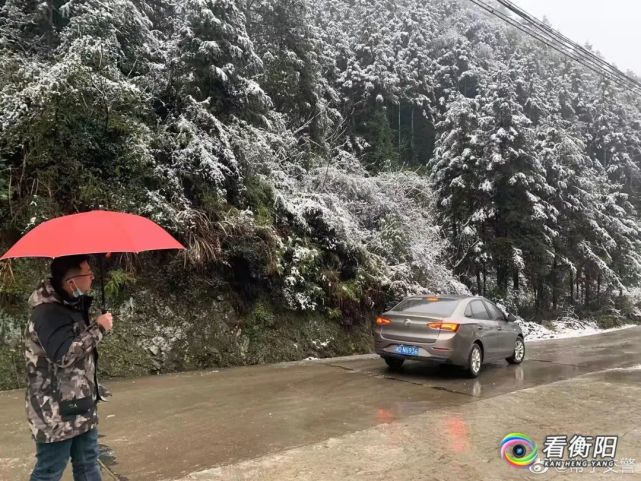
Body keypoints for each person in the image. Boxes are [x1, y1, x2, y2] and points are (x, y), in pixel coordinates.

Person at [25, 255, 113, 481]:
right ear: (71, 281)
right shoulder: (46, 313)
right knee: (50, 471)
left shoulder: (70, 304)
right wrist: (99, 329)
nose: (92, 276)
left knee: (88, 464)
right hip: (53, 411)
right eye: (87, 273)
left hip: (79, 402)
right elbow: (63, 354)